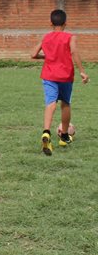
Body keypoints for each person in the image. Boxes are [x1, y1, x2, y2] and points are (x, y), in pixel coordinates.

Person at [32, 9, 90, 155]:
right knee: (65, 103)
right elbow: (74, 52)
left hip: (49, 75)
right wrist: (82, 71)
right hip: (65, 75)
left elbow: (33, 54)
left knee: (50, 103)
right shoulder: (70, 37)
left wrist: (45, 57)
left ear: (50, 23)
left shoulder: (46, 38)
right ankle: (64, 135)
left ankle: (46, 132)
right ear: (65, 23)